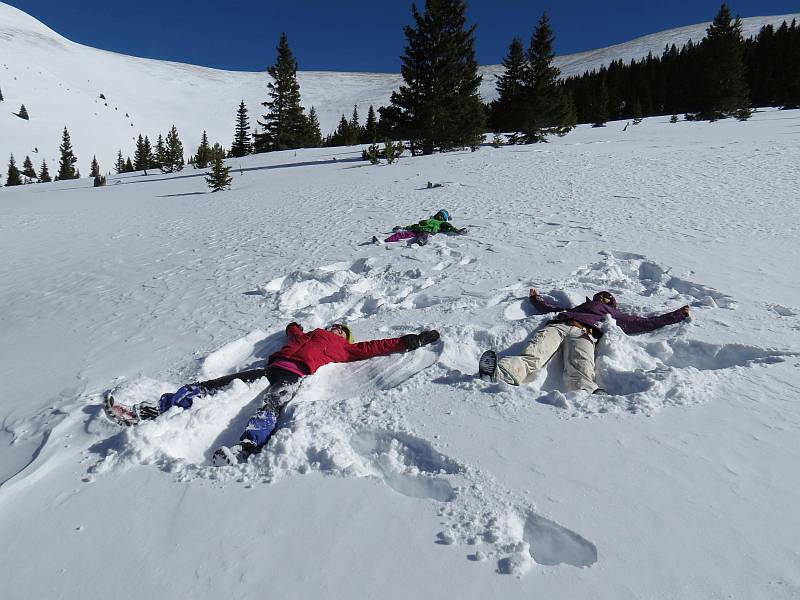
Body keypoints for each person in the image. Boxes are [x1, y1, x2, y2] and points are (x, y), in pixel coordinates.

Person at [126, 323, 440, 466]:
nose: (338, 330)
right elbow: (293, 331)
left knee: (272, 405)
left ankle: (246, 447)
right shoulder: (309, 334)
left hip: (294, 374)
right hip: (272, 366)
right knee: (217, 384)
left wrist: (413, 340)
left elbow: (377, 346)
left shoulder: (346, 348)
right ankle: (160, 408)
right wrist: (293, 327)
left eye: (343, 330)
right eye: (336, 326)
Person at [478, 289, 690, 394]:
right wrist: (536, 299)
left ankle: (585, 394)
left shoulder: (613, 314)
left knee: (580, 365)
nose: (603, 298)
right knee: (534, 353)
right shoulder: (577, 308)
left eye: (607, 298)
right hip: (558, 325)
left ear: (612, 304)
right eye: (601, 296)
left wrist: (678, 314)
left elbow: (645, 323)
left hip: (584, 333)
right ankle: (503, 372)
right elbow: (550, 309)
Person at [374, 209, 467, 245]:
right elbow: (415, 225)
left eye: (441, 216)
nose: (439, 216)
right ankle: (384, 241)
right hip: (417, 228)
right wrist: (404, 227)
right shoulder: (427, 220)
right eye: (438, 214)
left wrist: (457, 230)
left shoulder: (441, 223)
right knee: (402, 235)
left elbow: (448, 226)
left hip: (427, 230)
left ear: (444, 218)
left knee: (424, 234)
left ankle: (420, 241)